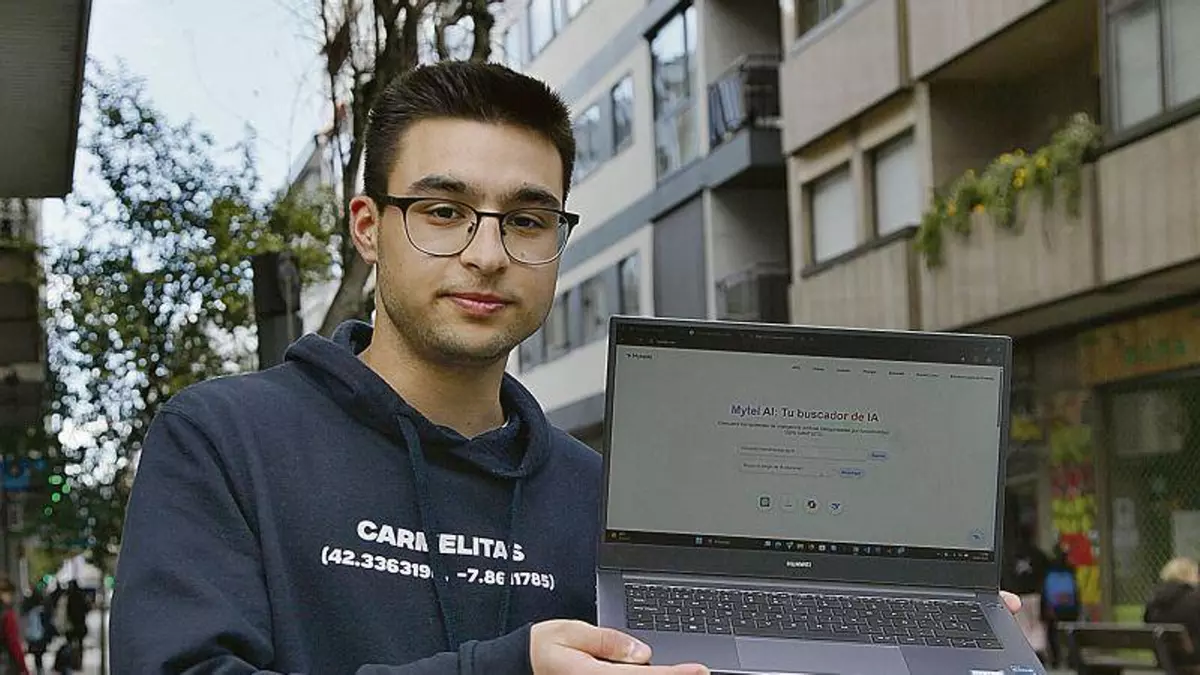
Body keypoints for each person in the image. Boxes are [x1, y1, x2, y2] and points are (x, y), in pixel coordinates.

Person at [109, 61, 1021, 674]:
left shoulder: (601, 498)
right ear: (367, 226)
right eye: (443, 210)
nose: (487, 253)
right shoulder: (223, 441)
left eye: (527, 219)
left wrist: (899, 649)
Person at [1144, 557, 1200, 666]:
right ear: (1190, 574)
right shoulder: (1195, 599)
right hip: (1192, 660)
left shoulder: (1154, 601)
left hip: (1164, 659)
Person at [0, 578, 29, 675]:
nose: (11, 598)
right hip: (6, 663)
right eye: (10, 594)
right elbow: (13, 643)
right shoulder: (7, 614)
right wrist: (23, 668)